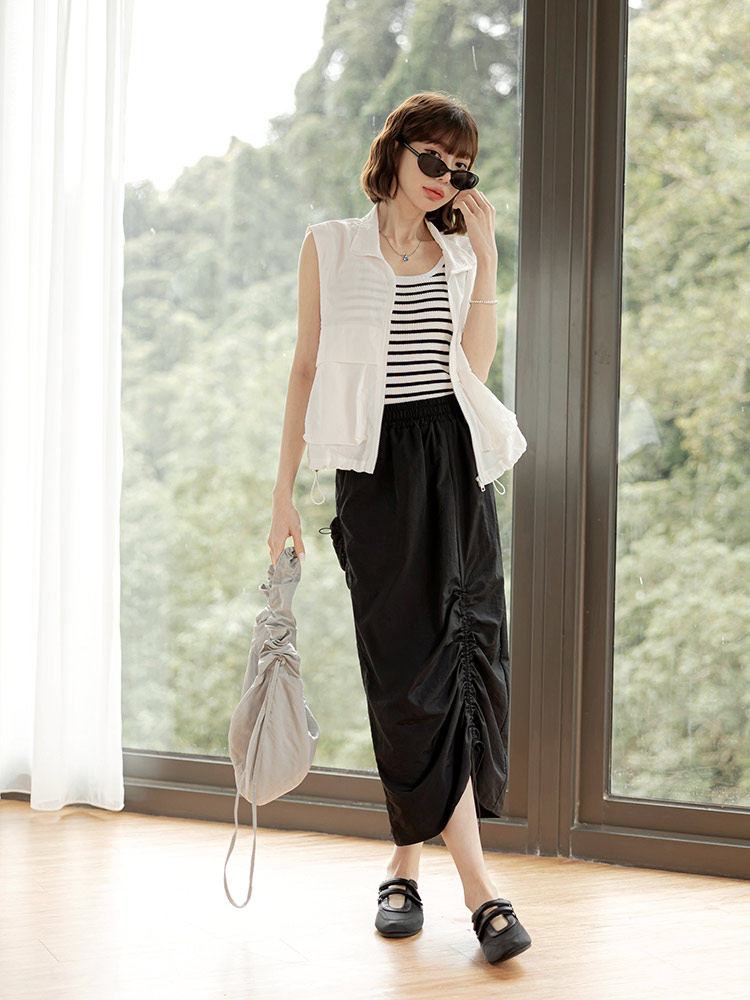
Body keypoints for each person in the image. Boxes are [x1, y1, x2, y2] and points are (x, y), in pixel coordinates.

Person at [267, 91, 530, 965]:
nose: (445, 179)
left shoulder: (457, 253)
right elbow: (305, 371)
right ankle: (471, 886)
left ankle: (420, 870)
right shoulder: (331, 245)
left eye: (461, 170)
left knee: (459, 664)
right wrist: (282, 498)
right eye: (432, 160)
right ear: (395, 151)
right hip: (372, 476)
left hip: (453, 463)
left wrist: (487, 263)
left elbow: (472, 370)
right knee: (402, 677)